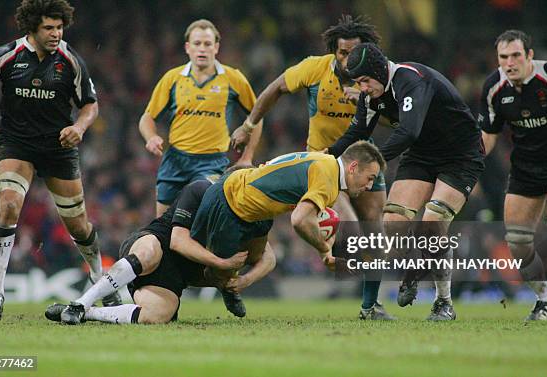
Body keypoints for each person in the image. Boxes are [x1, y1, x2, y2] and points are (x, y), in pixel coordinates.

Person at [230, 15, 393, 320]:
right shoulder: (315, 69)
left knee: (374, 232)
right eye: (342, 53)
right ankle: (329, 254)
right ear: (334, 51)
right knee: (351, 227)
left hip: (364, 161)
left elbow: (394, 119)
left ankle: (370, 306)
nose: (347, 59)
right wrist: (249, 123)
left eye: (353, 53)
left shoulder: (375, 78)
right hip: (323, 162)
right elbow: (276, 88)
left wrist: (368, 100)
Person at [0, 0, 120, 320]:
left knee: (79, 225)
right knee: (9, 205)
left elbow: (90, 104)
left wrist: (79, 128)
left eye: (59, 27)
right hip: (17, 145)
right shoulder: (5, 57)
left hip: (58, 148)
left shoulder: (70, 60)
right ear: (32, 28)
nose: (56, 34)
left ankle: (101, 281)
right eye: (49, 28)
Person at [328, 43, 485, 321]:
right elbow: (357, 132)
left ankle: (443, 302)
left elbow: (409, 131)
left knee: (433, 221)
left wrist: (370, 161)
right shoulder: (371, 96)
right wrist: (323, 159)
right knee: (393, 224)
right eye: (358, 82)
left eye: (365, 80)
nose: (362, 88)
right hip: (423, 155)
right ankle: (415, 268)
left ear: (378, 70)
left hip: (460, 154)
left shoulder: (410, 80)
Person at [45, 177, 276, 325]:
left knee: (157, 316)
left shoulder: (251, 216)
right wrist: (221, 263)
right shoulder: (200, 191)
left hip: (173, 276)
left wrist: (245, 280)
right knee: (149, 253)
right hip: (154, 242)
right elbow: (177, 241)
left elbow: (268, 256)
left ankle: (87, 314)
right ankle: (81, 303)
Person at [479, 30, 547, 320]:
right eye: (504, 57)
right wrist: (468, 162)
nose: (510, 63)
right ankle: (546, 301)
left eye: (516, 55)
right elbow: (489, 135)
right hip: (525, 169)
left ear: (529, 55)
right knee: (517, 242)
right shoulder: (494, 88)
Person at [190, 141, 384, 275]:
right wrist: (324, 247)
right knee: (210, 270)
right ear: (353, 168)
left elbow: (316, 217)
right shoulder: (328, 178)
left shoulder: (327, 164)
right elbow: (299, 220)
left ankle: (233, 286)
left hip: (257, 210)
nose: (369, 187)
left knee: (255, 258)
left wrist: (327, 256)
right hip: (232, 201)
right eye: (370, 178)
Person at [139, 19, 262, 218]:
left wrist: (247, 156)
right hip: (175, 160)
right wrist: (151, 137)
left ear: (216, 47)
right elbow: (147, 117)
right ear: (188, 48)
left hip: (211, 163)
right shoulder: (173, 78)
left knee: (200, 218)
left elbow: (257, 115)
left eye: (207, 44)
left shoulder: (233, 78)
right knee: (162, 225)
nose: (202, 49)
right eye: (197, 44)